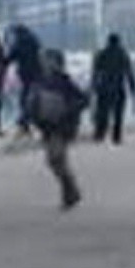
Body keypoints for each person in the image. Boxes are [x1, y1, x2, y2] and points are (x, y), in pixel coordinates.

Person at [28, 48, 90, 210]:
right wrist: (29, 118)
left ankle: (70, 191)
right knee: (54, 161)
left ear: (57, 63)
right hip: (47, 126)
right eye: (44, 61)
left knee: (56, 157)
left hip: (62, 126)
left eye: (49, 61)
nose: (46, 64)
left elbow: (83, 100)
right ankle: (70, 190)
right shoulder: (40, 81)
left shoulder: (64, 81)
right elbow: (32, 103)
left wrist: (66, 109)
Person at [90, 33, 135, 144]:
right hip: (118, 88)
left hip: (104, 88)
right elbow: (129, 72)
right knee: (118, 115)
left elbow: (96, 72)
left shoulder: (102, 54)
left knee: (103, 114)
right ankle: (117, 137)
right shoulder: (123, 54)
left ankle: (99, 135)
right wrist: (132, 87)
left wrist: (93, 86)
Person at [6, 25, 45, 135]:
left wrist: (2, 64)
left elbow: (11, 57)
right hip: (37, 71)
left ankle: (24, 121)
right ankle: (29, 120)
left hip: (25, 73)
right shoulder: (34, 40)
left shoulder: (19, 43)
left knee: (25, 96)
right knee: (34, 94)